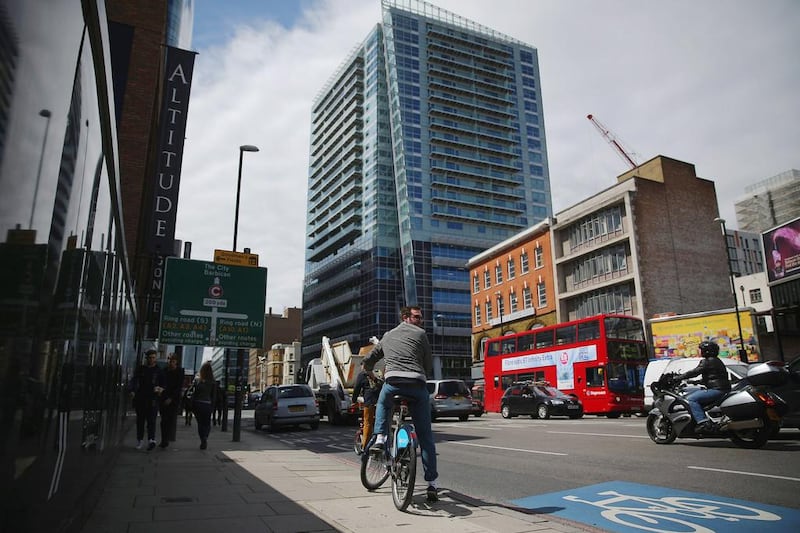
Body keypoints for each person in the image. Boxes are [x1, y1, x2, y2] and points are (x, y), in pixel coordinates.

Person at [362, 305, 439, 503]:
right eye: (417, 317)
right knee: (426, 437)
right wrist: (423, 374)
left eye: (421, 318)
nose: (420, 321)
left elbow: (369, 360)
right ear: (405, 317)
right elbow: (428, 363)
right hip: (416, 384)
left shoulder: (387, 335)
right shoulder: (421, 335)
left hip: (393, 382)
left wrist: (370, 372)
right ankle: (432, 485)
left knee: (383, 402)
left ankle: (380, 438)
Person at [674, 340, 731, 432]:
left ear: (707, 350)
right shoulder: (716, 360)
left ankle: (703, 422)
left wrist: (678, 377)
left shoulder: (707, 361)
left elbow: (695, 372)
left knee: (691, 399)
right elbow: (714, 377)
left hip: (717, 390)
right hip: (722, 388)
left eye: (701, 349)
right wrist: (696, 382)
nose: (700, 351)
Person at [129, 349, 166, 450]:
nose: (152, 359)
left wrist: (160, 389)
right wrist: (132, 390)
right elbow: (133, 380)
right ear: (147, 358)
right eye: (150, 358)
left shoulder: (159, 371)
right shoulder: (141, 369)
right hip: (141, 398)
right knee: (140, 420)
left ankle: (151, 440)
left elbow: (163, 385)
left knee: (151, 421)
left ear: (156, 358)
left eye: (153, 358)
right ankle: (140, 440)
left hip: (153, 399)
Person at [352, 361, 382, 449]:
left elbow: (357, 388)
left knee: (367, 423)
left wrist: (353, 400)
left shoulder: (362, 375)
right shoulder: (378, 373)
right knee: (380, 421)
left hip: (369, 402)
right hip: (380, 401)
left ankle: (365, 446)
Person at [158, 354, 183, 448]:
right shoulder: (164, 370)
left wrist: (171, 398)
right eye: (169, 360)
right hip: (163, 398)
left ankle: (166, 439)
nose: (170, 362)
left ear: (176, 361)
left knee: (170, 420)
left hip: (174, 400)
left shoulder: (179, 371)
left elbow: (178, 387)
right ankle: (164, 439)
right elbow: (161, 383)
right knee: (163, 420)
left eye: (172, 361)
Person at [192, 362, 217, 450]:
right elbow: (213, 396)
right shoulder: (213, 382)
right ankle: (205, 437)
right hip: (207, 404)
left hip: (198, 404)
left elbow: (194, 394)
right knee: (207, 423)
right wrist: (212, 407)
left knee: (200, 423)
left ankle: (202, 438)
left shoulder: (198, 381)